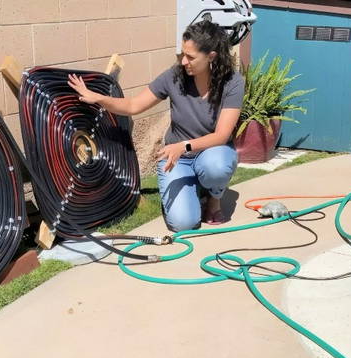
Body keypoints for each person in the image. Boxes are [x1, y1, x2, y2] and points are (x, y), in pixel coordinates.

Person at [68, 20, 245, 232]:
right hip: (176, 159)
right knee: (184, 224)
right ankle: (194, 192)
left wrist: (183, 146)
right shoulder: (174, 77)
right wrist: (97, 98)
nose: (183, 62)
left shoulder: (232, 82)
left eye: (191, 57)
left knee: (216, 166)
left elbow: (222, 135)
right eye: (182, 54)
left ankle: (213, 198)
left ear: (211, 57)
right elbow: (133, 105)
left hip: (211, 152)